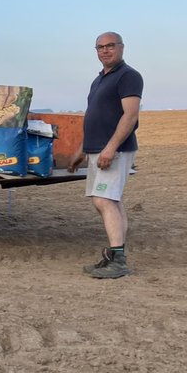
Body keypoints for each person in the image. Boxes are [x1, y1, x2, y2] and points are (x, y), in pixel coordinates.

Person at [67, 32, 143, 278]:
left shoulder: (128, 76)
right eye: (100, 47)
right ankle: (115, 255)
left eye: (110, 46)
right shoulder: (99, 80)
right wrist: (81, 150)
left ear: (121, 47)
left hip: (114, 149)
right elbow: (95, 116)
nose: (105, 51)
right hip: (97, 148)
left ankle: (118, 261)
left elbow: (130, 115)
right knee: (112, 199)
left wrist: (110, 148)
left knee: (103, 200)